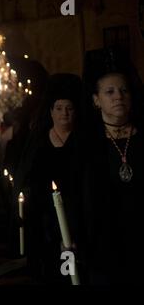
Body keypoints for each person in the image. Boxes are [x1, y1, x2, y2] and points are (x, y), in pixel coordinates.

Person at [74, 46, 144, 284]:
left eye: (124, 90)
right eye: (110, 91)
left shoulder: (142, 137)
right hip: (104, 246)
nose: (118, 96)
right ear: (96, 100)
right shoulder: (87, 144)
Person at [14, 73, 82, 284]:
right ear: (51, 112)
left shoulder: (82, 141)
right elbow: (27, 178)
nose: (64, 113)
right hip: (45, 219)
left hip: (77, 212)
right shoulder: (39, 143)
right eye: (59, 108)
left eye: (69, 108)